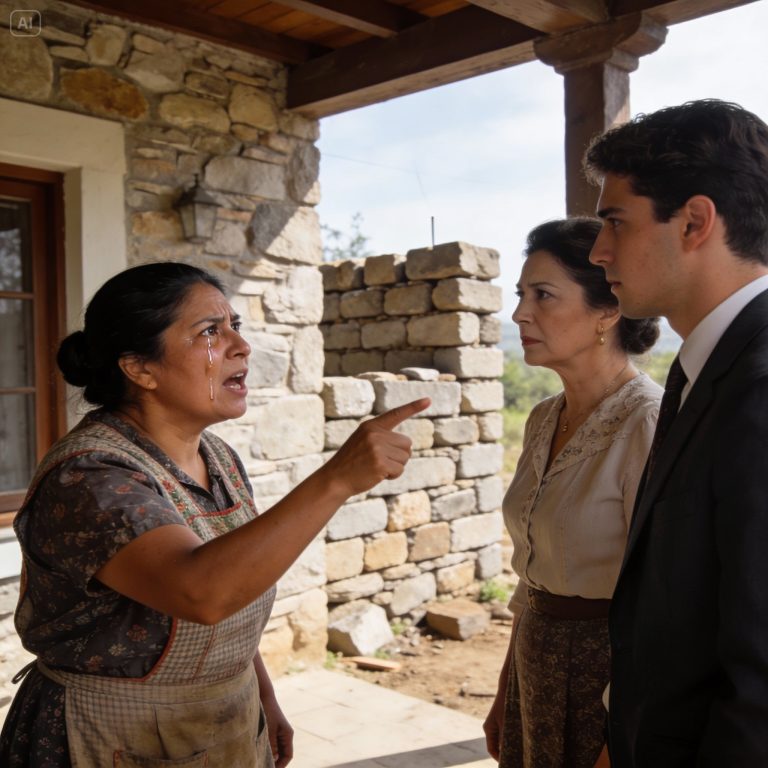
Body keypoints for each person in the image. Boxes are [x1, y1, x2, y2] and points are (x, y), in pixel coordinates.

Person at [0, 262, 428, 768]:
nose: (240, 346)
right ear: (140, 368)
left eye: (235, 327)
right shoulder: (90, 477)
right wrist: (336, 479)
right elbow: (201, 591)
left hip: (223, 720)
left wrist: (262, 694)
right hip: (107, 737)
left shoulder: (218, 458)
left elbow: (238, 582)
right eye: (209, 331)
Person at [585, 99, 768, 767]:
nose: (599, 250)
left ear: (694, 222)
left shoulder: (759, 387)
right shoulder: (705, 369)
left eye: (614, 222)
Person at [483, 218, 661, 768]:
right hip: (534, 660)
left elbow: (662, 605)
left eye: (543, 295)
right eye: (520, 295)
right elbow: (532, 574)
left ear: (607, 311)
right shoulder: (543, 418)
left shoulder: (648, 424)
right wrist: (505, 690)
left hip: (608, 675)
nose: (519, 314)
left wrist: (623, 736)